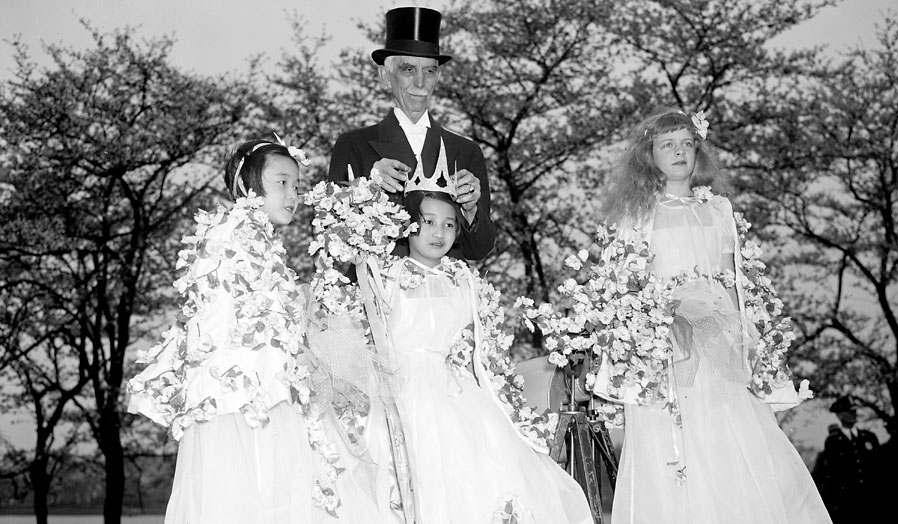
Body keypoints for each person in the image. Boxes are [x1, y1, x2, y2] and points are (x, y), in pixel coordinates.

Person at [126, 139, 384, 524]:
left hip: (263, 392)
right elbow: (250, 324)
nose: (293, 195)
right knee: (253, 497)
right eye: (281, 182)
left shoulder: (257, 239)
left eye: (296, 186)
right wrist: (313, 371)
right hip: (244, 399)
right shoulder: (229, 236)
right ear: (248, 185)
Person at [596, 108, 831, 524]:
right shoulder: (637, 215)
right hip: (665, 344)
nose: (679, 152)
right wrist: (666, 320)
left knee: (732, 437)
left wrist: (745, 345)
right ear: (648, 154)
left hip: (720, 341)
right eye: (668, 145)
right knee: (673, 444)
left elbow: (731, 282)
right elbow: (629, 285)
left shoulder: (719, 209)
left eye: (687, 143)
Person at [359, 180, 593, 523]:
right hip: (400, 387)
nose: (439, 232)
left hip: (454, 389)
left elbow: (477, 347)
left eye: (449, 224)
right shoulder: (386, 275)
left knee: (479, 465)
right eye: (428, 222)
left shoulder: (463, 279)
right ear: (408, 224)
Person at [327, 6, 496, 262]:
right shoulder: (354, 145)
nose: (420, 83)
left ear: (438, 77)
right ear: (385, 76)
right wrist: (368, 187)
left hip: (445, 295)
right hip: (380, 295)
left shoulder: (466, 151)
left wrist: (471, 209)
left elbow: (479, 250)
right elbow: (333, 241)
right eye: (408, 69)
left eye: (429, 71)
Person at [812, 396, 881, 524]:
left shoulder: (869, 437)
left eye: (854, 411)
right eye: (849, 412)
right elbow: (832, 473)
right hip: (847, 503)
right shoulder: (833, 442)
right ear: (840, 416)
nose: (854, 414)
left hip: (872, 500)